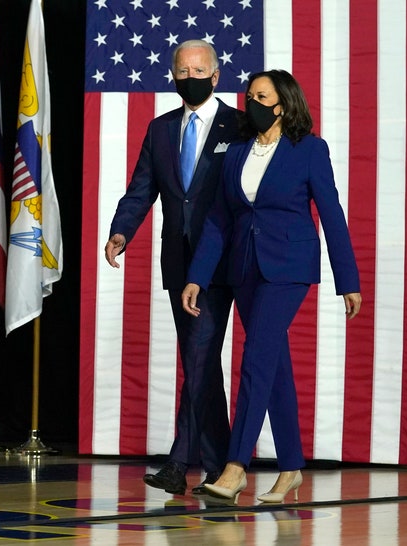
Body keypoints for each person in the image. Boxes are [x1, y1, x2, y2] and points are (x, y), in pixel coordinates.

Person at [181, 69, 362, 503]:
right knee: (273, 366)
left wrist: (348, 280)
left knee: (255, 359)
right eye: (249, 96)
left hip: (289, 268)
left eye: (262, 96)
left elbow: (332, 214)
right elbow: (220, 220)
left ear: (283, 105)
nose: (252, 103)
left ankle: (236, 465)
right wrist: (197, 276)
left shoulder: (309, 150)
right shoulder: (238, 150)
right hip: (244, 269)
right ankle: (291, 468)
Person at [104, 40, 241, 495]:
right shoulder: (161, 129)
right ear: (173, 76)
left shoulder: (237, 126)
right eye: (182, 70)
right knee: (200, 364)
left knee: (200, 358)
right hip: (177, 264)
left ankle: (179, 463)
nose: (190, 76)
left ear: (216, 75)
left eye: (199, 69)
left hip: (220, 264)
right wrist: (122, 232)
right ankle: (221, 467)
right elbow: (141, 189)